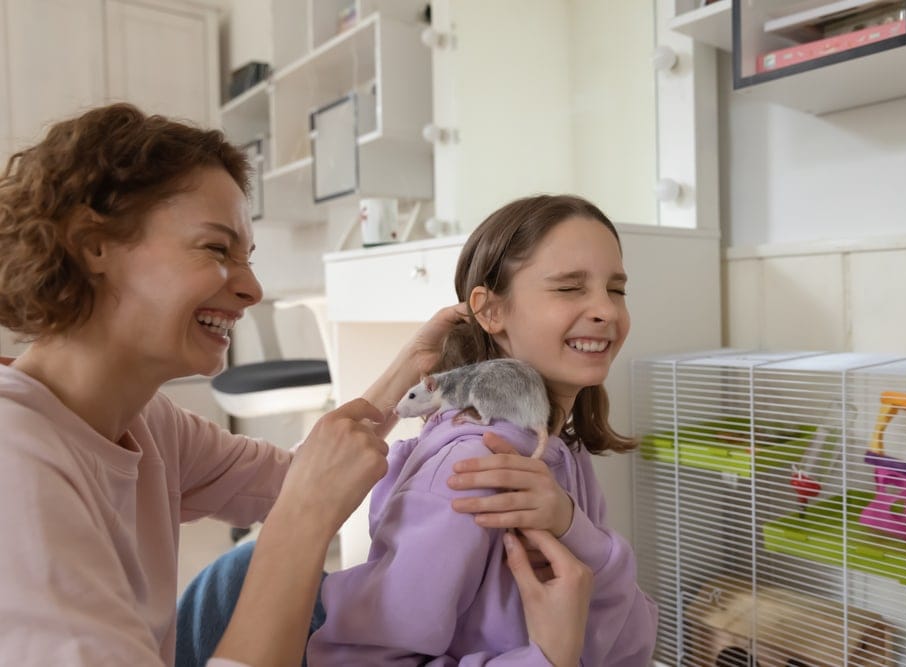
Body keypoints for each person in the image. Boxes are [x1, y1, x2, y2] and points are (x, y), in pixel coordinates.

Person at [0, 103, 593, 667]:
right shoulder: (17, 464)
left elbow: (293, 482)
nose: (252, 289)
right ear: (92, 245)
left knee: (244, 570)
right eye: (216, 248)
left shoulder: (147, 423)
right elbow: (302, 501)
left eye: (248, 256)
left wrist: (411, 373)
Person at [305, 194, 658, 664]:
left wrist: (577, 531)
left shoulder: (561, 457)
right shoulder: (468, 473)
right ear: (491, 312)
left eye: (616, 290)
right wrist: (546, 658)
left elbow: (627, 643)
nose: (606, 310)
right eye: (570, 288)